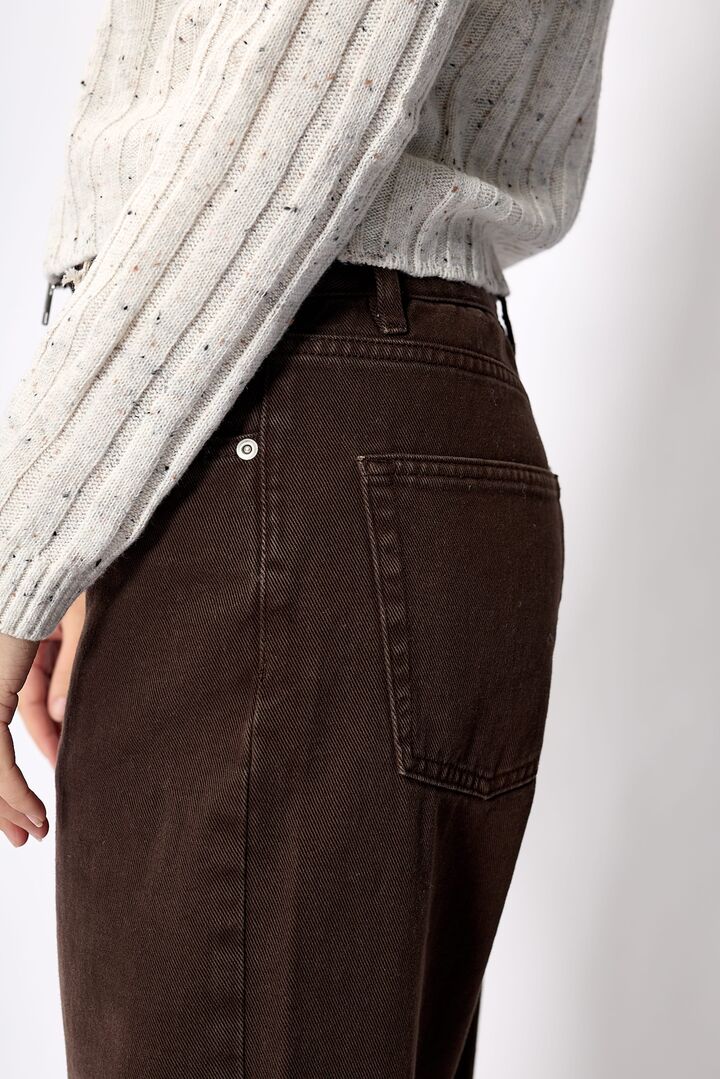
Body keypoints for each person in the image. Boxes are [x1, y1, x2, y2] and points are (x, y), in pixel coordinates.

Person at [0, 1, 614, 1075]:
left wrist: (33, 535)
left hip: (279, 415)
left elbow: (289, 121)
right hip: (304, 427)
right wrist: (99, 516)